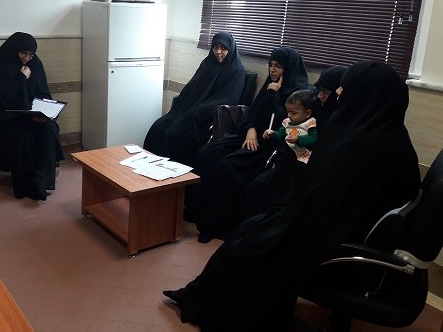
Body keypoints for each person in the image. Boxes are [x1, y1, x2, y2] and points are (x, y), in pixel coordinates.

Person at [163, 61, 420, 331]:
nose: (338, 92)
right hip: (323, 223)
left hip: (335, 243)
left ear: (366, 95)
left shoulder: (369, 147)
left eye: (346, 88)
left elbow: (339, 205)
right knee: (248, 230)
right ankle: (200, 297)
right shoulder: (379, 136)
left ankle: (226, 315)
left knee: (248, 249)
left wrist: (287, 222)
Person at [184, 46, 309, 225]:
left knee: (227, 166)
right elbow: (253, 113)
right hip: (249, 135)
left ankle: (215, 224)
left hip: (269, 143)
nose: (272, 70)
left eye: (278, 66)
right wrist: (250, 128)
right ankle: (195, 212)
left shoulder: (299, 93)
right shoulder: (270, 83)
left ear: (288, 68)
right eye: (271, 65)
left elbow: (285, 122)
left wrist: (273, 94)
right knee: (206, 154)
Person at [0, 32, 64, 201]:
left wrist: (43, 112)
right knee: (21, 135)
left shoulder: (35, 63)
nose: (26, 58)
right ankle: (23, 186)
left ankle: (41, 182)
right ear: (13, 49)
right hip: (2, 117)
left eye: (31, 55)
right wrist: (21, 78)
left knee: (48, 128)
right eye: (23, 53)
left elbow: (42, 92)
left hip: (30, 114)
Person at [144, 31, 247, 165]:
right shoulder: (208, 63)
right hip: (189, 108)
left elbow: (230, 99)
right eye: (215, 47)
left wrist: (201, 107)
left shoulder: (237, 70)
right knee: (159, 126)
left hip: (208, 113)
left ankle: (172, 166)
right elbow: (192, 87)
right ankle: (150, 163)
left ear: (231, 49)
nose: (218, 52)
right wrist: (181, 101)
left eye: (223, 48)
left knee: (177, 132)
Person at [263, 89, 317, 165]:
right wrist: (272, 133)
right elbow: (280, 134)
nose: (289, 115)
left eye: (293, 113)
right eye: (288, 111)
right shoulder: (287, 122)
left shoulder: (310, 123)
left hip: (301, 159)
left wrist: (298, 139)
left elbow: (313, 140)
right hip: (284, 156)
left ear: (307, 113)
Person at [312, 65, 348, 131]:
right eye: (319, 90)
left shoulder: (344, 121)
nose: (319, 96)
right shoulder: (313, 107)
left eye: (326, 92)